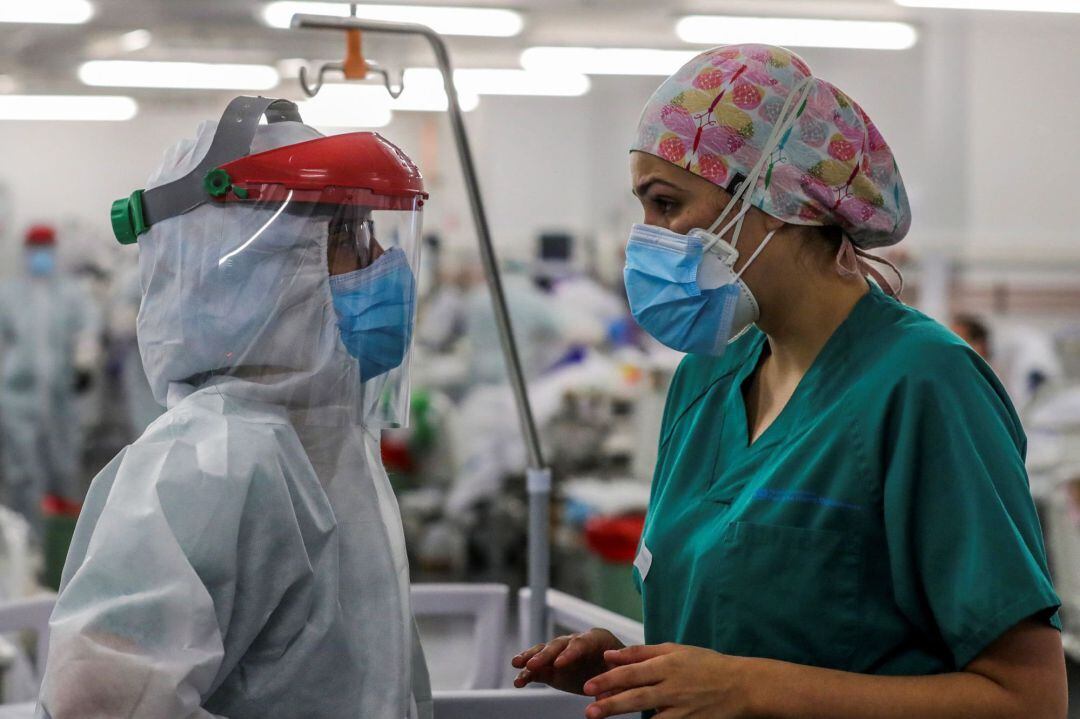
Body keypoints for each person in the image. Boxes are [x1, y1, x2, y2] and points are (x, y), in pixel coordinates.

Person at [513, 44, 1066, 718]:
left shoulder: (923, 384)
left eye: (666, 204)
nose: (648, 237)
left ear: (776, 196)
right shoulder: (706, 378)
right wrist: (639, 666)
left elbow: (1029, 699)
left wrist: (750, 690)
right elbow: (744, 631)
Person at [38, 96, 431, 718]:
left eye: (370, 230)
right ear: (248, 268)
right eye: (343, 235)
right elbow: (100, 703)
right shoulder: (209, 462)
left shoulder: (326, 445)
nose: (383, 263)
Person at [0, 225, 98, 536]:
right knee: (22, 473)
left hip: (61, 398)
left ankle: (62, 546)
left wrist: (84, 362)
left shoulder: (70, 292)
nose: (40, 256)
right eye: (35, 250)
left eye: (45, 249)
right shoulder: (9, 293)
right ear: (25, 253)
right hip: (19, 398)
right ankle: (24, 547)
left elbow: (88, 328)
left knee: (65, 469)